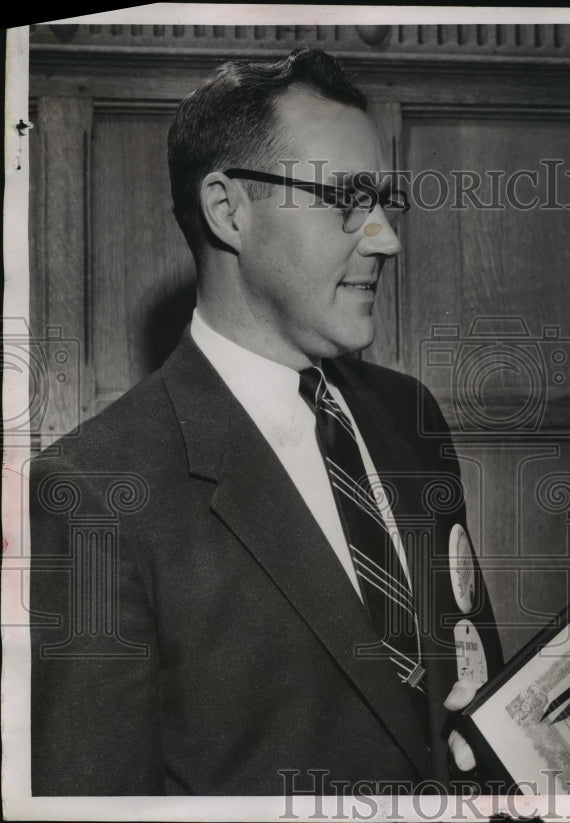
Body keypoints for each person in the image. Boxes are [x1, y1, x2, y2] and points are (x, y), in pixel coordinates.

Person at [30, 48, 502, 796]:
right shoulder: (95, 489)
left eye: (382, 199)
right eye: (346, 197)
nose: (386, 237)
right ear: (228, 209)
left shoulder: (409, 415)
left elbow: (473, 686)